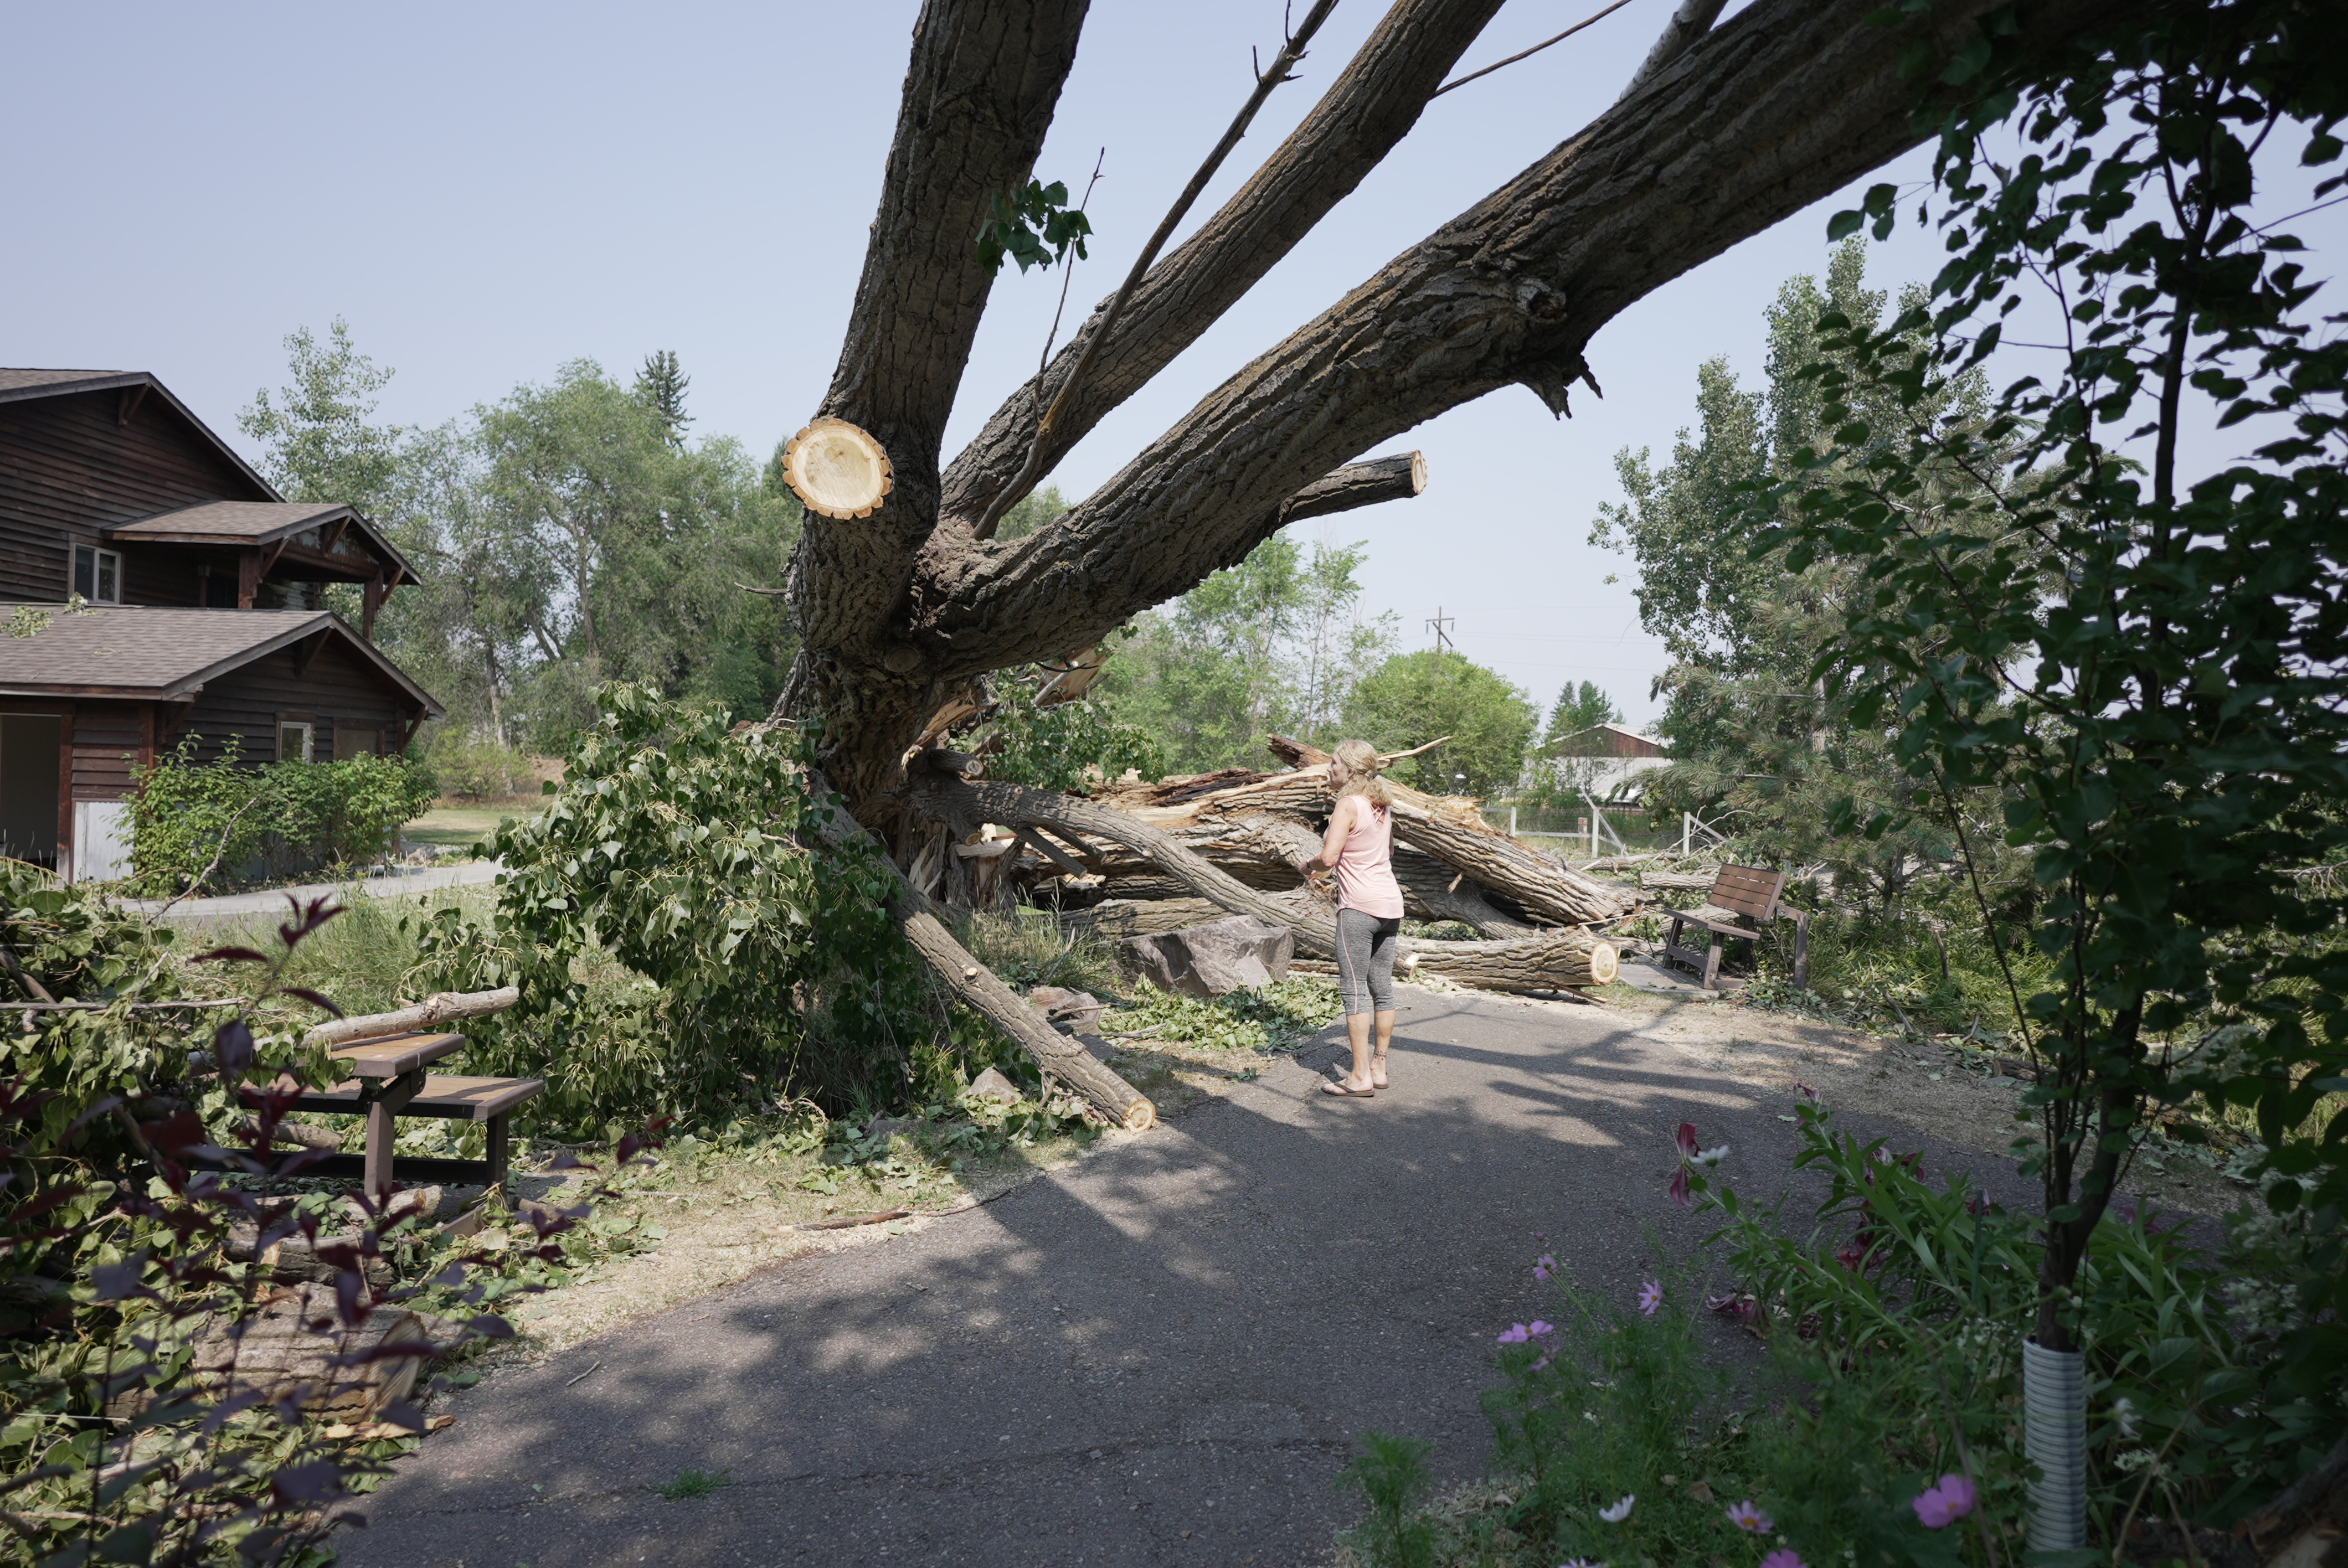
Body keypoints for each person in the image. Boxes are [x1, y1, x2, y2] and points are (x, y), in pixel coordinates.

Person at [1296, 739, 1404, 1097]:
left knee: (1354, 988)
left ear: (1352, 771)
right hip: (1391, 906)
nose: (1329, 768)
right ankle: (1379, 1067)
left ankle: (1359, 1078)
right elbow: (1387, 852)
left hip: (1359, 908)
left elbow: (1328, 860)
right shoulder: (1380, 806)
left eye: (1334, 763)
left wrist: (1306, 865)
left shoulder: (1348, 804)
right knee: (1382, 987)